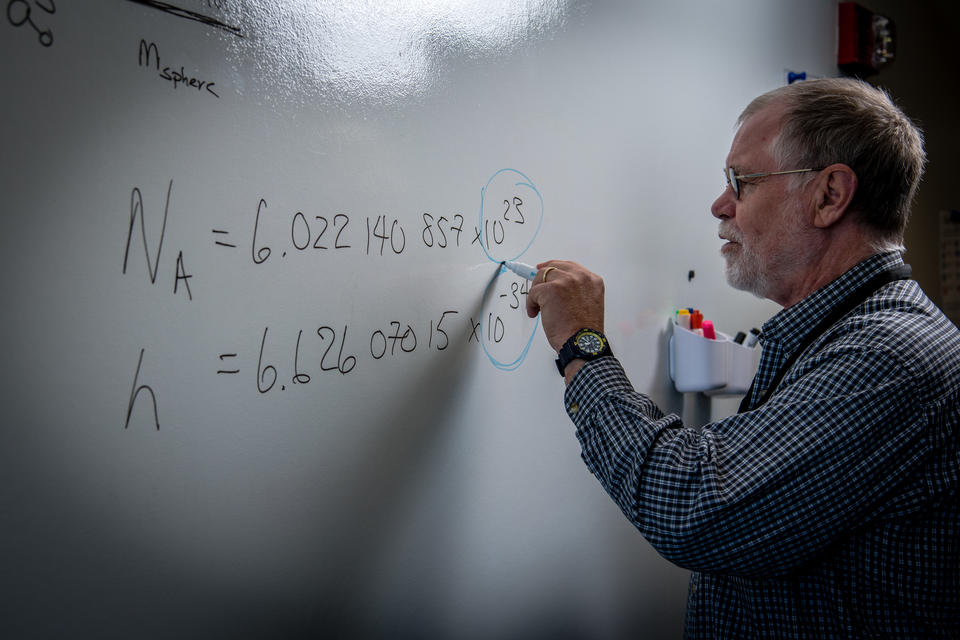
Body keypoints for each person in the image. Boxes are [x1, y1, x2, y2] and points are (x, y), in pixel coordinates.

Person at [526, 77, 960, 639]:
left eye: (742, 181)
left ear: (829, 195)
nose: (719, 205)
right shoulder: (841, 336)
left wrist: (583, 346)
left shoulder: (887, 359)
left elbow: (693, 506)